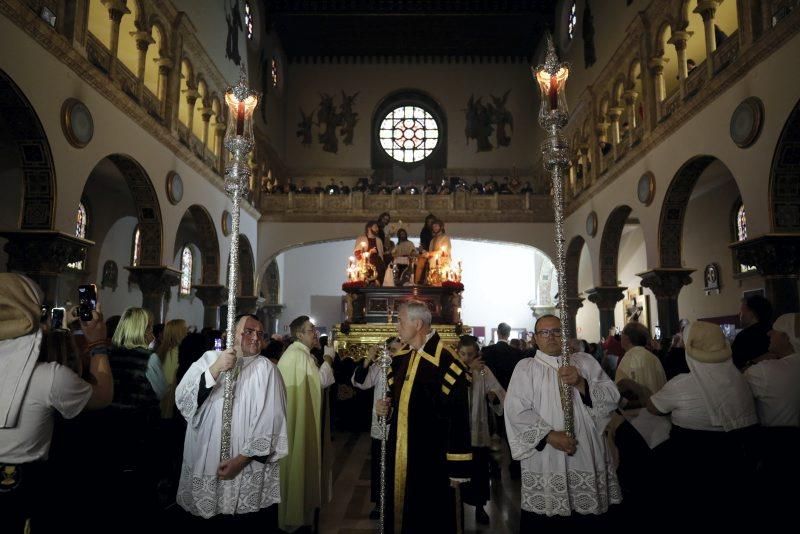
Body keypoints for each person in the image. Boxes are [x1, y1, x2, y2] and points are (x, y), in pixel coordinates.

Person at [0, 274, 113, 532]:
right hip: (22, 496)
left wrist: (60, 321)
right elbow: (103, 395)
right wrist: (97, 343)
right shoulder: (48, 377)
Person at [505, 314, 622, 528]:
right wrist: (549, 436)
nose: (551, 337)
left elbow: (612, 397)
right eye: (545, 332)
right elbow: (515, 410)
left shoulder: (585, 361)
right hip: (546, 456)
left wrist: (580, 383)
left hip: (586, 452)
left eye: (557, 331)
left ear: (566, 335)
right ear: (535, 339)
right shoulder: (526, 368)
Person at [176, 314, 288, 531]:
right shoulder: (209, 359)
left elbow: (271, 420)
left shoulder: (267, 370)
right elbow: (184, 400)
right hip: (206, 460)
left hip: (244, 467)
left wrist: (240, 461)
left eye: (260, 333)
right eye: (249, 331)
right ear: (231, 334)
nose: (256, 337)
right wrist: (216, 368)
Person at [375, 300, 471, 533]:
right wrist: (384, 411)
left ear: (418, 324)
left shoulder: (448, 364)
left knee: (428, 519)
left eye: (400, 320)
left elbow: (458, 419)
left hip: (431, 462)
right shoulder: (399, 360)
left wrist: (458, 470)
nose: (396, 325)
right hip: (398, 456)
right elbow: (394, 408)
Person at [647, 321, 757, 521]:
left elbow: (653, 408)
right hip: (737, 464)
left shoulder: (682, 384)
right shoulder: (740, 379)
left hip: (691, 467)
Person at [277, 316, 335, 533]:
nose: (314, 333)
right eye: (310, 330)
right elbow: (320, 382)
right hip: (297, 424)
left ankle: (301, 514)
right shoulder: (298, 356)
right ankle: (297, 518)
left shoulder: (298, 354)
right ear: (299, 334)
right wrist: (329, 359)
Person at [352, 336, 405, 520]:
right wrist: (368, 359)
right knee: (379, 465)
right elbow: (359, 382)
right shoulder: (380, 367)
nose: (393, 354)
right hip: (380, 424)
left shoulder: (406, 368)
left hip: (400, 425)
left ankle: (398, 501)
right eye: (391, 350)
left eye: (397, 350)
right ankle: (379, 503)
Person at [457, 336, 505, 525]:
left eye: (471, 354)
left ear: (477, 354)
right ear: (457, 352)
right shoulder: (453, 370)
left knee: (478, 470)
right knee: (459, 472)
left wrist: (494, 397)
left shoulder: (484, 371)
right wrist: (468, 370)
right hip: (459, 430)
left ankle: (479, 507)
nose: (467, 358)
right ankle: (457, 507)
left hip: (478, 428)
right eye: (463, 354)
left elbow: (499, 393)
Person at [743, 312, 800, 427]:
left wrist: (752, 362)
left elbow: (736, 385)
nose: (769, 333)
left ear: (786, 337)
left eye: (774, 330)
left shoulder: (765, 371)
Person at [616, 322, 667, 406]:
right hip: (658, 410)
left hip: (638, 415)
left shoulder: (628, 359)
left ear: (627, 338)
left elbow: (620, 391)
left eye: (622, 334)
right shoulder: (654, 358)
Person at [156, 318, 188, 419]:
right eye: (185, 329)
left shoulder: (162, 351)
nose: (188, 332)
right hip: (170, 401)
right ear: (180, 333)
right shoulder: (175, 352)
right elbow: (169, 380)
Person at [732, 294, 773, 369]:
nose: (738, 315)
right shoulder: (774, 332)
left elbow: (735, 368)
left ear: (751, 313)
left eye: (741, 311)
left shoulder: (743, 337)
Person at [355, 220, 386, 286]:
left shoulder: (379, 240)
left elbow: (381, 256)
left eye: (377, 227)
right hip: (366, 267)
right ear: (369, 228)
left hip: (378, 268)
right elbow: (357, 255)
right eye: (375, 227)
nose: (377, 229)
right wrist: (370, 252)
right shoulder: (361, 239)